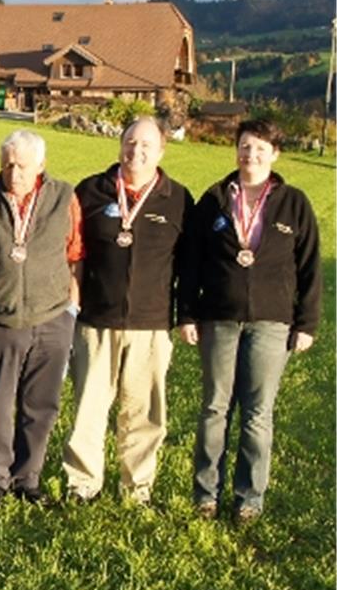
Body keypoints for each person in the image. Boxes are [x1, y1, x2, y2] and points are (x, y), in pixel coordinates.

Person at [177, 118, 320, 523]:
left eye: (260, 148)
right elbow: (191, 263)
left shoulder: (294, 203)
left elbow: (310, 267)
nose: (250, 155)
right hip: (218, 319)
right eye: (244, 146)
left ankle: (249, 499)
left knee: (258, 414)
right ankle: (206, 495)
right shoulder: (214, 200)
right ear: (236, 150)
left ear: (275, 154)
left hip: (272, 323)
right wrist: (186, 313)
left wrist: (306, 324)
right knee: (214, 409)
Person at [62, 116, 193, 505]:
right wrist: (72, 301)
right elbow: (73, 252)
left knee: (143, 412)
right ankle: (83, 484)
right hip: (95, 320)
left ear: (162, 151)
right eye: (130, 142)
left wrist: (185, 315)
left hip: (150, 324)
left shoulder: (177, 198)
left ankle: (137, 488)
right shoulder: (91, 190)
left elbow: (189, 265)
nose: (137, 151)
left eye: (146, 145)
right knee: (88, 408)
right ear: (120, 144)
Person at [0, 129, 82, 505]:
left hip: (52, 317)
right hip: (1, 319)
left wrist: (71, 309)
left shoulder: (63, 196)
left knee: (42, 405)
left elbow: (76, 252)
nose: (14, 173)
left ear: (41, 165)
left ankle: (27, 479)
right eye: (7, 165)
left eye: (22, 165)